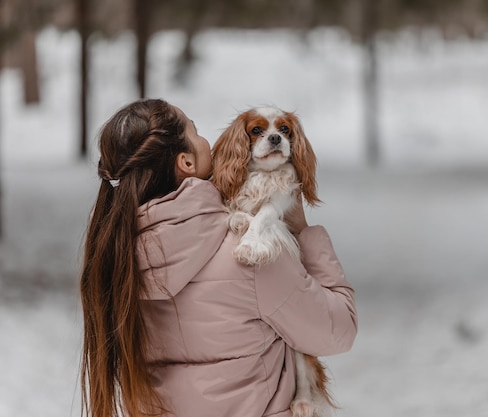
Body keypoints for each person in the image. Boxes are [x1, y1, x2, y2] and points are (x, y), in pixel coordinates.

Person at [80, 98, 358, 417]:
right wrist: (305, 233)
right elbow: (338, 332)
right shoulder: (251, 254)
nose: (208, 142)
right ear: (186, 163)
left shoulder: (116, 259)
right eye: (196, 131)